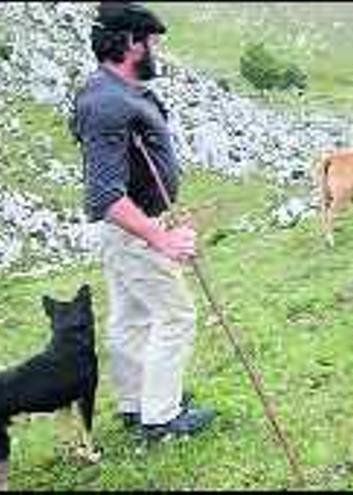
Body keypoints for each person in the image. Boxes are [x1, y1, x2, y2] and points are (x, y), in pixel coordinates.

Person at [71, 2, 215, 441]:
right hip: (133, 230)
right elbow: (105, 195)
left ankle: (137, 402)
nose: (156, 51)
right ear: (131, 42)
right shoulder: (108, 103)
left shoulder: (110, 91)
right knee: (176, 315)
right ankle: (161, 418)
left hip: (129, 229)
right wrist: (161, 238)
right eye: (152, 42)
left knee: (131, 316)